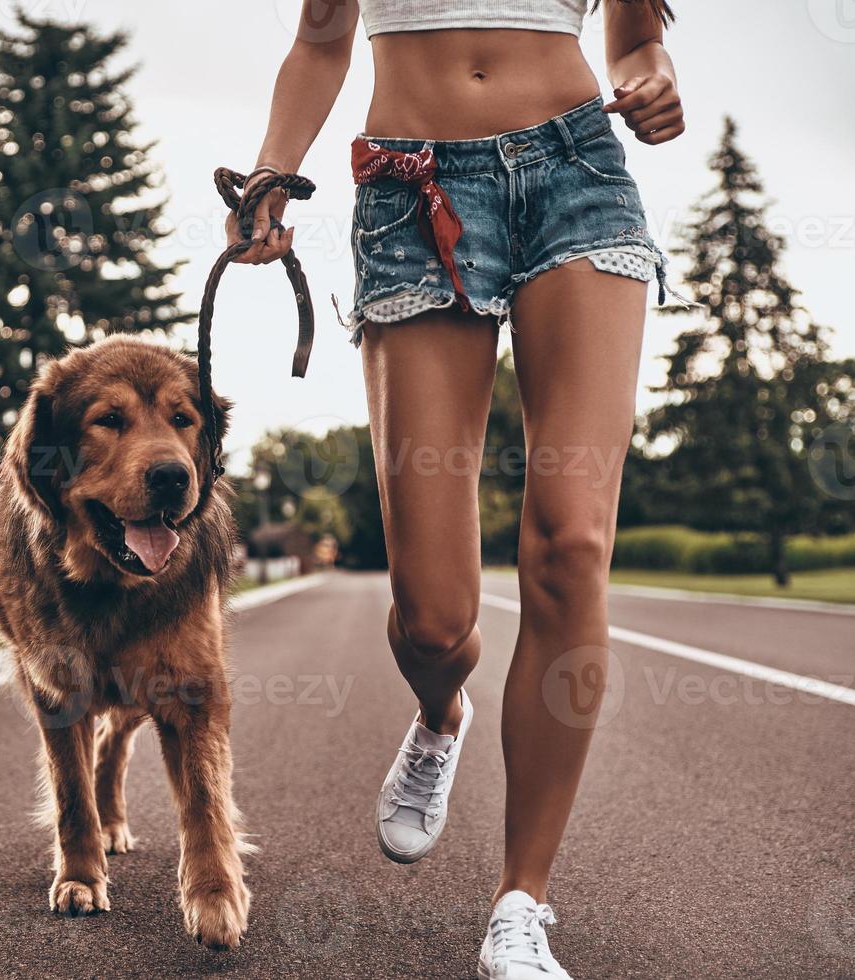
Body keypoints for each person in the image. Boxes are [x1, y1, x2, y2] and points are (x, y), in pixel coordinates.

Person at [228, 2, 684, 976]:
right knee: (431, 618)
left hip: (576, 175)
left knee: (568, 548)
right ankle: (440, 714)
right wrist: (271, 170)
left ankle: (520, 900)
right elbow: (318, 39)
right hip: (409, 189)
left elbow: (636, 37)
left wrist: (653, 78)